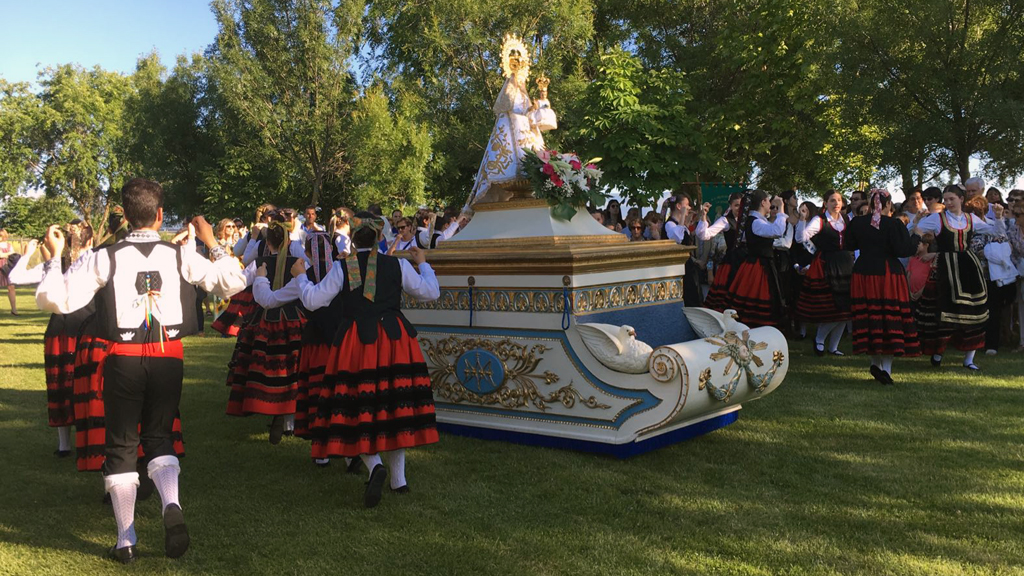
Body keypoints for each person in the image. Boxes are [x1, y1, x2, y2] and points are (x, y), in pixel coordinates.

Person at [35, 178, 245, 563]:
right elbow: (233, 282)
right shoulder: (179, 254)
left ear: (126, 215)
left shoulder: (106, 256)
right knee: (160, 435)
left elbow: (55, 300)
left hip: (122, 356)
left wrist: (53, 257)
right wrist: (212, 243)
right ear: (160, 215)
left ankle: (126, 537)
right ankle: (170, 502)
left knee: (121, 445)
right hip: (169, 355)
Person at [294, 213, 440, 508]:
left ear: (354, 241)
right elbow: (430, 292)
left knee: (355, 405)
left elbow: (312, 301)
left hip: (357, 340)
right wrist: (422, 262)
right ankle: (399, 481)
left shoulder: (343, 266)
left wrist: (300, 277)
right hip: (394, 339)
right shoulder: (397, 264)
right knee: (394, 405)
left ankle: (375, 466)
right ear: (379, 239)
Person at [226, 210, 305, 442]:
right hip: (294, 319)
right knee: (292, 367)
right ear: (288, 241)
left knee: (267, 366)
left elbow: (240, 282)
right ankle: (289, 420)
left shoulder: (258, 263)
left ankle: (271, 409)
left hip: (264, 320)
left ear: (267, 241)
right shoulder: (299, 263)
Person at [913, 185, 999, 370]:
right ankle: (938, 352)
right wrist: (917, 228)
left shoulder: (971, 218)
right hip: (946, 267)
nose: (948, 202)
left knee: (975, 310)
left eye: (952, 198)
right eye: (946, 199)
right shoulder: (937, 218)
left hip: (968, 267)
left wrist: (998, 218)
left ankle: (969, 359)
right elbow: (917, 232)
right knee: (945, 310)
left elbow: (994, 232)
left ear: (961, 199)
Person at [845, 189, 920, 384]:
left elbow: (848, 244)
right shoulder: (894, 224)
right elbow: (904, 250)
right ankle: (885, 369)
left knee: (870, 316)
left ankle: (875, 364)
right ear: (888, 204)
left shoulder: (857, 222)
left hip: (863, 273)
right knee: (889, 317)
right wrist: (917, 235)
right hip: (887, 274)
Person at [796, 190, 853, 355]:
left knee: (845, 309)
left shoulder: (847, 220)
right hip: (828, 266)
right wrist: (801, 220)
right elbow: (801, 238)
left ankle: (833, 346)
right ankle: (819, 339)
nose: (836, 204)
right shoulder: (819, 220)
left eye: (839, 200)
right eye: (833, 201)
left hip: (845, 265)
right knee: (833, 308)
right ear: (825, 203)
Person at [724, 191, 788, 326]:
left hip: (758, 264)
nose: (770, 204)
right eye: (768, 201)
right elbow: (777, 231)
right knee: (758, 299)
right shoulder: (756, 222)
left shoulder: (756, 220)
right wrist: (781, 209)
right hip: (759, 267)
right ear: (763, 202)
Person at [962, 197, 1015, 356]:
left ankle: (992, 344)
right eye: (971, 213)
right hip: (974, 274)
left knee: (994, 311)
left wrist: (986, 251)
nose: (974, 216)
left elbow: (1003, 240)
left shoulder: (993, 225)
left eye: (977, 212)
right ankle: (973, 343)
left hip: (993, 276)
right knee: (974, 311)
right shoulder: (965, 229)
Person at [695, 193, 745, 311]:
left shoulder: (751, 220)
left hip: (748, 263)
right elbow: (704, 234)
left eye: (741, 205)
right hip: (733, 263)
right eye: (736, 205)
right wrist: (703, 216)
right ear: (731, 206)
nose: (739, 208)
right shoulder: (725, 221)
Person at [0, 229, 16, 315]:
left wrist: (6, 254)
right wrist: (8, 254)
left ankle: (14, 309)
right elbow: (1, 255)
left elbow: (13, 254)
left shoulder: (8, 245)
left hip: (7, 267)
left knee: (11, 287)